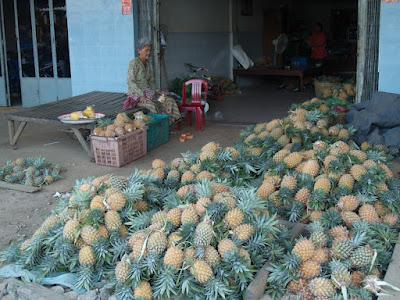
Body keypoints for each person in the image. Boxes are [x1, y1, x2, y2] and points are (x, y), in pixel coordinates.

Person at [127, 39, 181, 123]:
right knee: (152, 105)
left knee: (167, 100)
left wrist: (158, 92)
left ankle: (168, 122)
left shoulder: (148, 64)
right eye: (146, 50)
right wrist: (141, 95)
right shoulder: (134, 63)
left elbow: (151, 82)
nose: (149, 53)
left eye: (150, 50)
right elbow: (131, 82)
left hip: (149, 94)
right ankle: (159, 124)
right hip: (136, 96)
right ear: (139, 51)